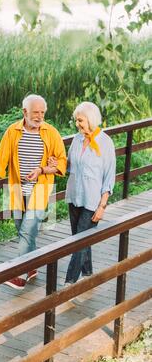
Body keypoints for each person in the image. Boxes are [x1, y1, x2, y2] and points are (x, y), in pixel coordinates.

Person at [0, 94, 67, 290]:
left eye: (42, 112)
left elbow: (62, 161)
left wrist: (43, 169)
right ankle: (32, 267)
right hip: (18, 190)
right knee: (22, 230)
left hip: (40, 190)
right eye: (35, 112)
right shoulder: (13, 132)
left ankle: (19, 274)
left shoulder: (51, 133)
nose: (39, 116)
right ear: (25, 112)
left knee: (28, 230)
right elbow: (0, 161)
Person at [57, 101, 116, 286]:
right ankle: (88, 272)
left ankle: (69, 283)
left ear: (90, 120)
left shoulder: (105, 143)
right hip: (74, 196)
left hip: (92, 201)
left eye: (80, 120)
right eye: (76, 120)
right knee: (81, 238)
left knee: (79, 243)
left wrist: (102, 207)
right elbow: (69, 166)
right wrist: (56, 163)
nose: (77, 124)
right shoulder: (77, 139)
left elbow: (109, 179)